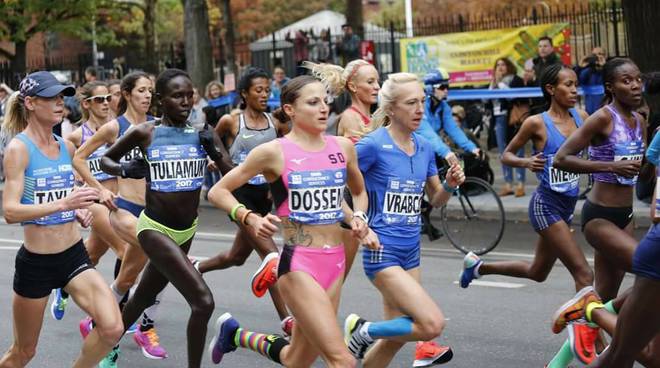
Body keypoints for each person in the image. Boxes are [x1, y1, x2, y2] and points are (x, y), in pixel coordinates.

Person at [206, 74, 378, 367]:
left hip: (334, 263)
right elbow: (218, 191)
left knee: (295, 359)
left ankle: (235, 335)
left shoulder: (342, 148)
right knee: (342, 360)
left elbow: (359, 193)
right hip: (299, 265)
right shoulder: (273, 152)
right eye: (313, 102)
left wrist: (360, 218)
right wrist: (248, 217)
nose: (323, 108)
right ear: (290, 110)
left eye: (325, 101)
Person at [459, 64, 597, 366]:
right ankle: (584, 333)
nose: (575, 90)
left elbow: (597, 148)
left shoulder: (582, 118)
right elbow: (507, 154)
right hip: (545, 206)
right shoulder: (536, 123)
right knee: (584, 274)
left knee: (538, 272)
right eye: (569, 85)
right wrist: (526, 163)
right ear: (551, 89)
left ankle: (479, 268)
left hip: (566, 206)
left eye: (576, 85)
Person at [98, 68, 229, 368]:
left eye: (189, 95)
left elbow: (233, 175)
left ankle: (107, 343)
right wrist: (124, 170)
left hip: (187, 230)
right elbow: (106, 160)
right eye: (177, 96)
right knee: (203, 301)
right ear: (160, 100)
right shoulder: (147, 132)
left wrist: (216, 152)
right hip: (154, 229)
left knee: (142, 296)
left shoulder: (202, 132)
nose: (185, 101)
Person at [0, 71, 123, 368]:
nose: (60, 103)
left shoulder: (66, 147)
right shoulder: (19, 149)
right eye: (51, 98)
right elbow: (10, 212)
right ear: (30, 103)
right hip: (37, 264)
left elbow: (65, 190)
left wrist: (76, 208)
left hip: (73, 256)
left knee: (112, 328)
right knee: (23, 353)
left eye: (60, 97)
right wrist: (63, 204)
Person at [344, 72, 464, 368]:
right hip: (382, 251)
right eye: (411, 103)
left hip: (411, 251)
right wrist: (358, 222)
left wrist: (449, 184)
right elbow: (337, 189)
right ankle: (363, 329)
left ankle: (369, 335)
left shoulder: (423, 147)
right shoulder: (372, 145)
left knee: (396, 339)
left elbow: (435, 200)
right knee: (431, 324)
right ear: (391, 109)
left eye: (422, 101)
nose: (420, 109)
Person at [550, 58, 646, 367]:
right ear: (610, 87)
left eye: (638, 79)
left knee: (603, 300)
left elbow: (641, 175)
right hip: (600, 217)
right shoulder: (603, 118)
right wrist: (610, 165)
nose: (635, 86)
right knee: (649, 271)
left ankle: (556, 363)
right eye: (626, 81)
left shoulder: (640, 121)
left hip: (626, 217)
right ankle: (589, 315)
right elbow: (562, 158)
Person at [72, 71, 168, 365]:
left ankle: (98, 324)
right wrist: (99, 190)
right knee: (166, 261)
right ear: (126, 94)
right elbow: (79, 158)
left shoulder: (159, 127)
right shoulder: (116, 127)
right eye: (141, 90)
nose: (147, 95)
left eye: (150, 90)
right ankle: (145, 328)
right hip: (124, 209)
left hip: (154, 209)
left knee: (126, 279)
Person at [193, 67, 292, 334]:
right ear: (244, 94)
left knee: (236, 257)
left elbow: (285, 153)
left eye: (267, 89)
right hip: (238, 196)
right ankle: (287, 319)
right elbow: (209, 135)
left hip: (264, 198)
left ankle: (197, 266)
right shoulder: (231, 121)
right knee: (271, 256)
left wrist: (276, 183)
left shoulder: (276, 123)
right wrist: (219, 160)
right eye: (258, 90)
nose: (264, 94)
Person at [51, 81, 128, 322]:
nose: (106, 103)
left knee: (92, 254)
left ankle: (63, 286)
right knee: (127, 250)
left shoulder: (118, 130)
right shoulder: (76, 136)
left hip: (120, 199)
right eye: (99, 99)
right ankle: (120, 310)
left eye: (108, 98)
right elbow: (67, 169)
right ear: (86, 104)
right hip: (94, 200)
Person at [417, 69, 481, 167]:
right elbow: (428, 133)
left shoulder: (444, 106)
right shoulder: (421, 106)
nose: (446, 90)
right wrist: (445, 152)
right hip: (417, 148)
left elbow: (453, 129)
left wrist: (471, 148)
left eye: (447, 86)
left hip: (432, 146)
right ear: (430, 88)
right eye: (442, 87)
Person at [489, 57, 527, 197]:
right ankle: (508, 184)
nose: (500, 67)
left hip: (512, 120)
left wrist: (501, 84)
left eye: (503, 64)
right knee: (503, 152)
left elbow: (513, 97)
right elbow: (485, 100)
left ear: (509, 66)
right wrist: (493, 84)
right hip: (498, 119)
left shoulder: (515, 79)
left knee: (517, 151)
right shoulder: (494, 81)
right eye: (497, 65)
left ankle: (520, 184)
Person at [530, 36, 561, 116]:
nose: (542, 49)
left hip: (551, 104)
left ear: (552, 48)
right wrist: (529, 80)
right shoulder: (536, 64)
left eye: (545, 46)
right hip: (537, 105)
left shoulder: (557, 64)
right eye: (540, 46)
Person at [578, 47, 607, 115]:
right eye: (594, 55)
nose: (597, 57)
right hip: (589, 109)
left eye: (600, 54)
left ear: (605, 56)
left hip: (604, 108)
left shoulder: (609, 69)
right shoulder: (587, 71)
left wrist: (604, 67)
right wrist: (580, 67)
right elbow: (578, 81)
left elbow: (611, 79)